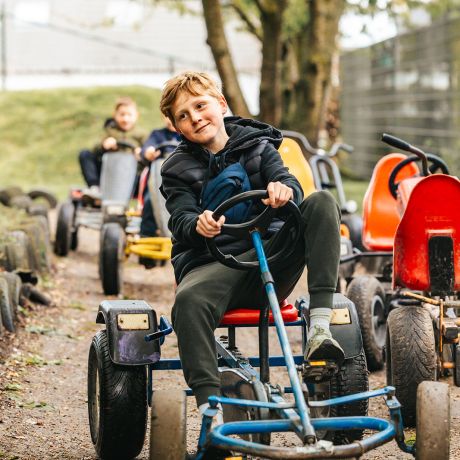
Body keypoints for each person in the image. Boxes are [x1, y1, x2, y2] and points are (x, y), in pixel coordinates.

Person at [159, 71, 343, 422]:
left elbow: (287, 180)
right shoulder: (176, 170)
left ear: (221, 104)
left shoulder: (259, 146)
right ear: (176, 127)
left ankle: (320, 330)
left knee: (321, 202)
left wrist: (284, 191)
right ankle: (210, 406)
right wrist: (198, 225)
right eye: (184, 115)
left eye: (201, 106)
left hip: (270, 261)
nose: (196, 117)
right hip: (215, 266)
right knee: (187, 300)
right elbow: (180, 219)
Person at [78, 96, 146, 199]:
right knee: (85, 154)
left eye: (129, 115)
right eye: (122, 115)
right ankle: (95, 187)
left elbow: (149, 151)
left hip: (132, 175)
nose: (125, 119)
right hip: (109, 171)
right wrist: (104, 145)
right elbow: (95, 148)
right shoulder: (109, 131)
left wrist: (141, 153)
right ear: (115, 115)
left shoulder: (142, 135)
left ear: (136, 116)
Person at [138, 115, 181, 237]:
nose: (171, 120)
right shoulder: (158, 135)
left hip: (181, 179)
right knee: (149, 202)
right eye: (168, 116)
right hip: (158, 180)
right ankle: (146, 235)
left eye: (174, 115)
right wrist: (148, 152)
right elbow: (147, 148)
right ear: (163, 117)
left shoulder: (187, 134)